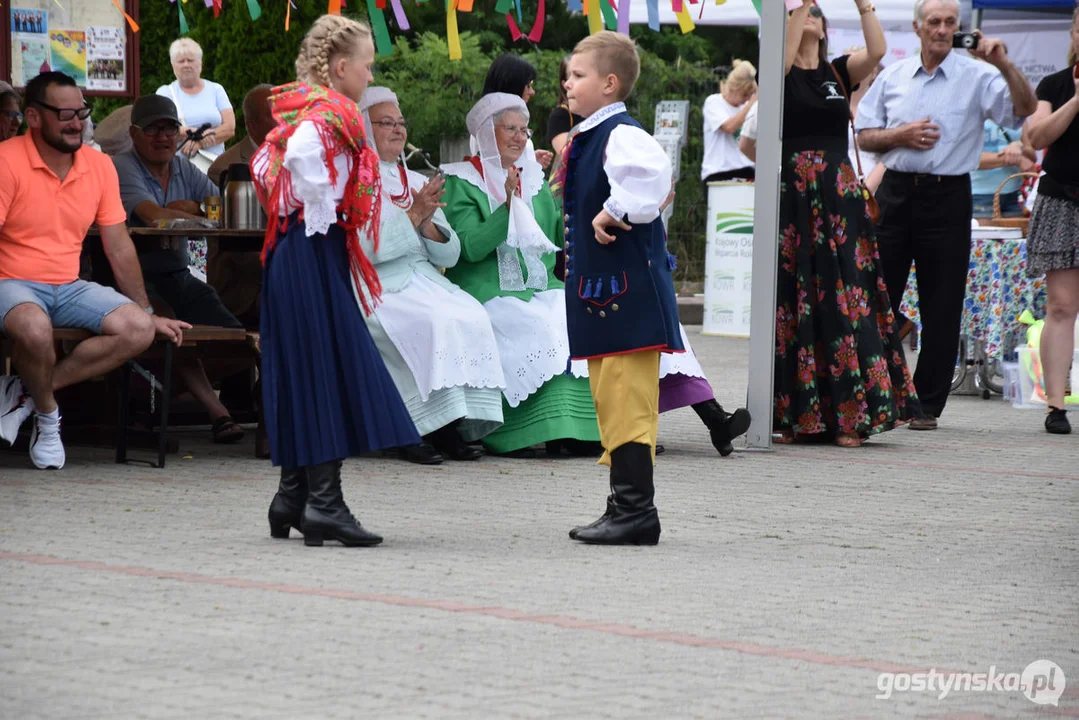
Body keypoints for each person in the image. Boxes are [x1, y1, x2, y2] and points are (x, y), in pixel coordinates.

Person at [252, 15, 420, 547]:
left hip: (299, 249)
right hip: (310, 246)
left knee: (308, 366)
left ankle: (293, 496)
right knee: (325, 366)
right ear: (341, 67)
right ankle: (323, 504)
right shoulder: (328, 111)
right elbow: (299, 155)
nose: (370, 76)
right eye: (367, 66)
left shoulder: (306, 106)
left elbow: (265, 160)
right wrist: (320, 203)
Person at [856, 0, 1037, 428]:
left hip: (949, 194)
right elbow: (864, 136)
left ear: (959, 27)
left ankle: (926, 404)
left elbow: (1025, 109)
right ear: (917, 28)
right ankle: (877, 392)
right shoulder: (895, 76)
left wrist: (1004, 64)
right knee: (879, 297)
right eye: (933, 22)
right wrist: (900, 134)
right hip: (897, 194)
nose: (941, 29)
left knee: (942, 305)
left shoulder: (978, 76)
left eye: (949, 22)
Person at [0, 72, 188, 470]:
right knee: (35, 329)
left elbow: (118, 245)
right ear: (33, 117)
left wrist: (148, 313)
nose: (77, 122)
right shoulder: (6, 160)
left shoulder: (99, 165)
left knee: (138, 329)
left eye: (81, 112)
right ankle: (49, 422)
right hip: (11, 282)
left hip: (68, 285)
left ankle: (24, 395)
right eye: (65, 113)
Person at [774, 0, 921, 448]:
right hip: (796, 197)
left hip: (838, 198)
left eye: (817, 12)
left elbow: (876, 50)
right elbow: (781, 59)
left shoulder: (837, 71)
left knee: (847, 297)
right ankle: (797, 417)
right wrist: (795, 8)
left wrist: (864, 6)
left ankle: (850, 417)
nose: (810, 16)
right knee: (796, 299)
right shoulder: (778, 71)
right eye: (804, 12)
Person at [559, 31, 681, 545]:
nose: (566, 83)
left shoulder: (621, 134)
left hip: (627, 296)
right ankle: (622, 504)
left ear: (610, 84)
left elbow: (655, 176)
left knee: (629, 397)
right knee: (609, 394)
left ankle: (636, 511)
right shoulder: (592, 134)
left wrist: (615, 208)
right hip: (602, 294)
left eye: (578, 75)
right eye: (568, 75)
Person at [441, 93, 602, 458]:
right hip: (487, 290)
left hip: (541, 287)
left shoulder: (535, 182)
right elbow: (469, 248)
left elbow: (555, 237)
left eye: (524, 130)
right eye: (509, 129)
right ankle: (535, 429)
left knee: (576, 314)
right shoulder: (459, 181)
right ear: (485, 133)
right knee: (537, 324)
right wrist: (508, 204)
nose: (519, 137)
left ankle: (582, 429)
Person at [357, 86, 506, 464]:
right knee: (432, 321)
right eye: (386, 122)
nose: (397, 129)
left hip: (421, 277)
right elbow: (361, 246)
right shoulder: (356, 179)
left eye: (401, 122)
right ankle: (407, 430)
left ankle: (447, 426)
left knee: (472, 314)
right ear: (363, 126)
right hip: (376, 283)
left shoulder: (411, 178)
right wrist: (412, 216)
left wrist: (427, 225)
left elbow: (451, 253)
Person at [110, 94, 248, 444]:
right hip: (130, 281)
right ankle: (217, 412)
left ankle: (157, 398)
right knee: (175, 329)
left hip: (177, 274)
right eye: (152, 129)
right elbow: (151, 215)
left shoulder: (183, 166)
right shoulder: (122, 165)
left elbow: (217, 207)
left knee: (237, 340)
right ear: (134, 133)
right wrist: (190, 212)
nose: (163, 137)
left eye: (169, 128)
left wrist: (184, 208)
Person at [1025, 7, 1079, 435]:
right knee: (1061, 306)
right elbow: (1036, 136)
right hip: (1063, 201)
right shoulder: (1055, 84)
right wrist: (1077, 100)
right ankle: (1056, 405)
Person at [206, 84, 275, 327]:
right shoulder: (226, 168)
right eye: (272, 112)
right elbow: (234, 247)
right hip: (245, 286)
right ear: (252, 124)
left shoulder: (297, 158)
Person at [156, 38, 235, 160]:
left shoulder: (216, 89)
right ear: (173, 65)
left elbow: (230, 128)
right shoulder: (165, 92)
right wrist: (195, 134)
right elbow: (162, 128)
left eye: (191, 60)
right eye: (181, 61)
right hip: (178, 166)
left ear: (200, 63)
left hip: (214, 165)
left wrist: (200, 142)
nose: (186, 65)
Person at [480, 54, 553, 171]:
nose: (532, 92)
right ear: (513, 86)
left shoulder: (497, 120)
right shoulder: (488, 124)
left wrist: (530, 159)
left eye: (524, 132)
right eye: (528, 86)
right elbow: (495, 170)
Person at [700, 59, 757, 183]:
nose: (747, 99)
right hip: (719, 172)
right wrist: (751, 103)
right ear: (734, 88)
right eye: (744, 94)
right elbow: (729, 127)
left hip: (746, 169)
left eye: (750, 95)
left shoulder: (747, 107)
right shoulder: (714, 102)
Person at [971, 120, 1035, 217]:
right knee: (986, 232)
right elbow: (967, 158)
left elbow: (1031, 155)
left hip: (1015, 194)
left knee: (1017, 232)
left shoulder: (1019, 112)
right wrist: (1015, 158)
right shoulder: (972, 113)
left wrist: (1018, 146)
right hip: (980, 195)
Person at [546, 56, 583, 157]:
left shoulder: (597, 111)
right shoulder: (560, 115)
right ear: (565, 84)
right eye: (574, 76)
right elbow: (569, 157)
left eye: (580, 75)